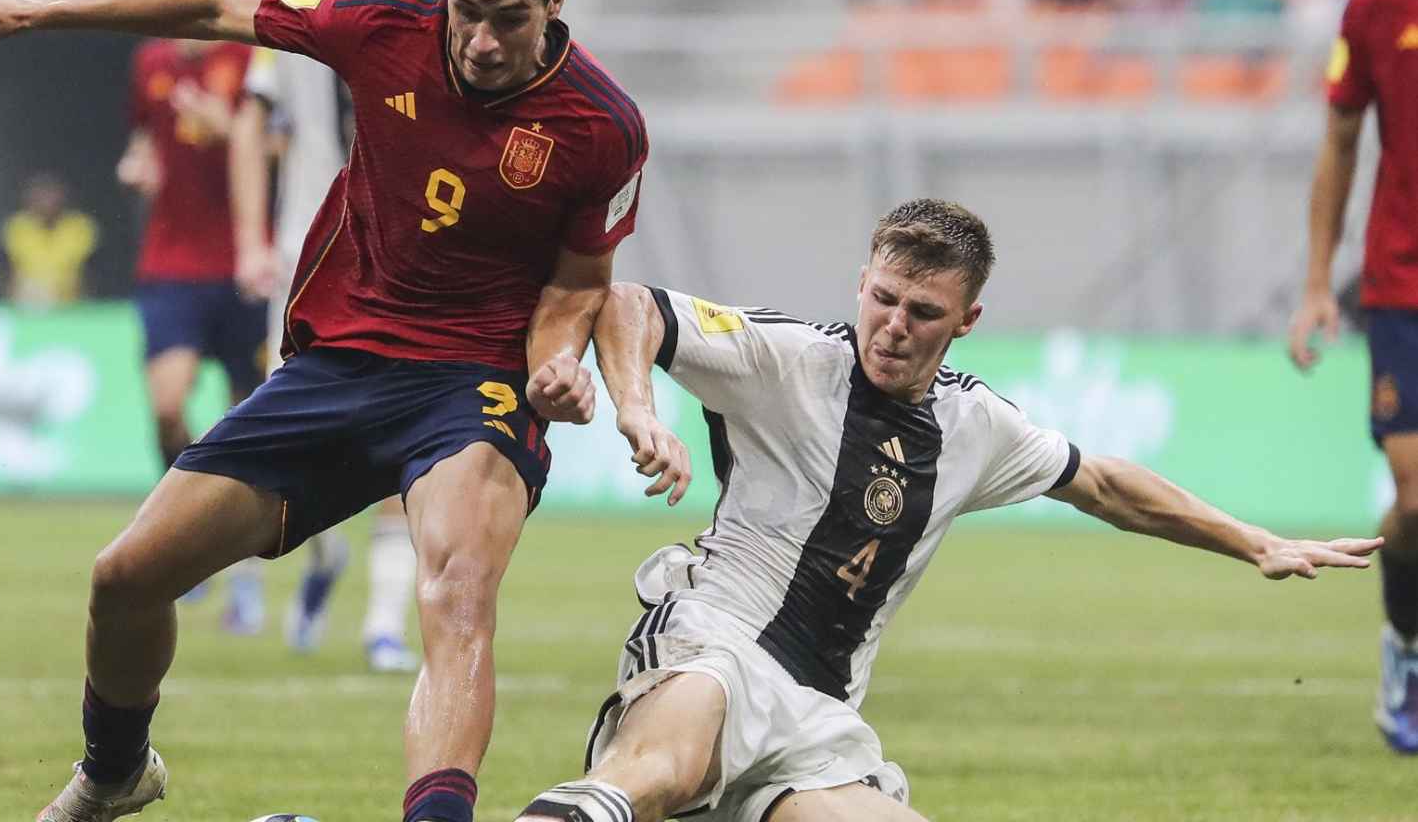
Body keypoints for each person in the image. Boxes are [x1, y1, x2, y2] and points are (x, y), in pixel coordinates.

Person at [0, 0, 645, 822]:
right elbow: (208, 8)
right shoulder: (381, 21)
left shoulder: (603, 127)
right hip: (336, 363)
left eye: (507, 21)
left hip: (474, 386)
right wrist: (36, 11)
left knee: (458, 589)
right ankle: (114, 772)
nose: (477, 42)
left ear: (554, 2)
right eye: (467, 12)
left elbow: (579, 283)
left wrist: (558, 361)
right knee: (126, 578)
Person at [516, 199, 1382, 822]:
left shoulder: (976, 426)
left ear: (966, 320)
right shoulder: (788, 361)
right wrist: (635, 409)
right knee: (654, 773)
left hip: (818, 717)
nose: (893, 325)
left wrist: (1255, 542)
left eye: (922, 312)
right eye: (882, 299)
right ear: (861, 284)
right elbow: (630, 306)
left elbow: (1110, 486)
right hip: (718, 639)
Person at [229, 0, 423, 671]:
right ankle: (319, 559)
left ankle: (384, 623)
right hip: (312, 259)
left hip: (408, 264)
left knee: (406, 445)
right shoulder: (297, 8)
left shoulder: (438, 18)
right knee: (297, 442)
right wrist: (250, 237)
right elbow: (252, 126)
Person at [116, 0, 272, 635]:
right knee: (167, 406)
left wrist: (234, 131)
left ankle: (236, 562)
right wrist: (139, 162)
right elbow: (145, 138)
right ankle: (184, 531)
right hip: (171, 263)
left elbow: (275, 148)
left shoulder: (252, 59)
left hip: (243, 264)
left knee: (254, 425)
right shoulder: (150, 61)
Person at [1289, 0, 1418, 754]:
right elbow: (1339, 142)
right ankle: (1406, 650)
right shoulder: (1380, 4)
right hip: (1405, 287)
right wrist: (1314, 284)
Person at [3, 171, 99, 308]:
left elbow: (90, 272)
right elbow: (6, 271)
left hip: (71, 304)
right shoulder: (17, 227)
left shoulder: (79, 226)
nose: (46, 202)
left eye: (51, 196)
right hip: (27, 304)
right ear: (29, 199)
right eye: (40, 196)